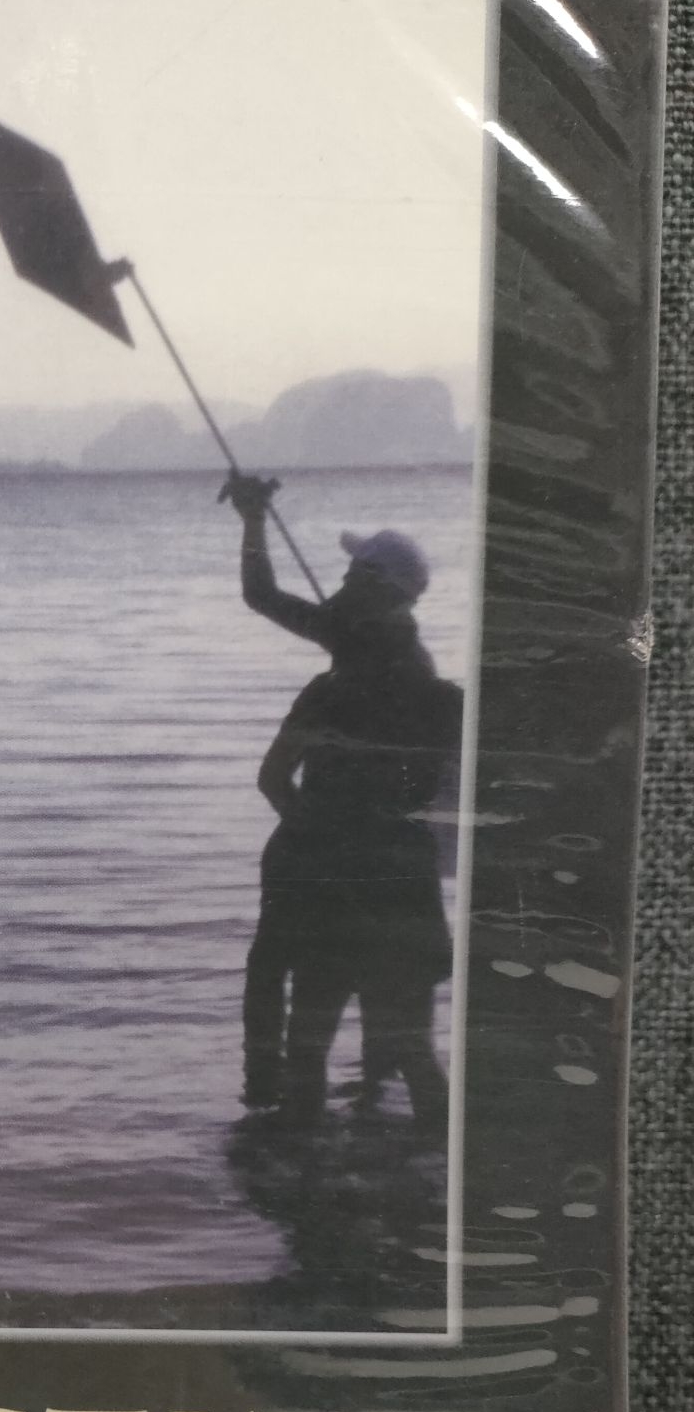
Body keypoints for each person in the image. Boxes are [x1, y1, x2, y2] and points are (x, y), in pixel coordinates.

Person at [223, 472, 460, 1132]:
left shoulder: (330, 684)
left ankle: (281, 1139)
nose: (343, 582)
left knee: (306, 1044)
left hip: (332, 879)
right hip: (402, 884)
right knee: (412, 1050)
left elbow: (273, 779)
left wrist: (314, 831)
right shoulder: (439, 696)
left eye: (355, 574)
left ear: (376, 591)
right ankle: (416, 1161)